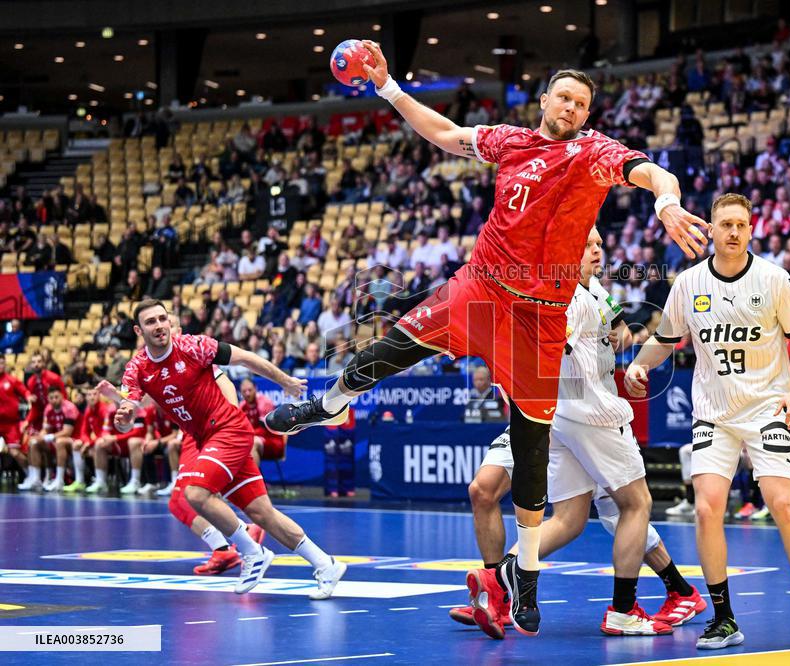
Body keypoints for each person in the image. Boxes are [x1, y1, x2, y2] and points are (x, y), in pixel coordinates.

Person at [265, 49, 708, 637]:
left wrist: (668, 201)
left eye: (582, 104)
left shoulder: (594, 153)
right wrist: (388, 86)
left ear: (587, 114)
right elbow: (444, 133)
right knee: (388, 349)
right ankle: (327, 404)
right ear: (545, 100)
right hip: (480, 287)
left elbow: (653, 172)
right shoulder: (510, 140)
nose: (572, 108)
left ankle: (524, 572)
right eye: (564, 98)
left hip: (540, 315)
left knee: (531, 446)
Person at [451, 228, 704, 637]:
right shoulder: (565, 293)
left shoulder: (596, 294)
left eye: (601, 244)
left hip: (561, 416)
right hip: (583, 410)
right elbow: (540, 345)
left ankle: (497, 584)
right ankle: (623, 609)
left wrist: (634, 345)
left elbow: (615, 334)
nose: (599, 250)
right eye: (589, 244)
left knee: (574, 517)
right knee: (633, 505)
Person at [624, 193, 790, 650]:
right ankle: (723, 617)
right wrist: (640, 363)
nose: (733, 232)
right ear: (711, 230)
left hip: (768, 407)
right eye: (725, 224)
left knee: (781, 502)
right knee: (706, 506)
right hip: (714, 412)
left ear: (751, 230)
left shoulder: (775, 279)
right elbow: (666, 338)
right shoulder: (689, 283)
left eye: (741, 224)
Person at [112, 299, 345, 597]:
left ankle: (251, 551)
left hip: (228, 430)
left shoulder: (194, 346)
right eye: (151, 322)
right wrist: (124, 419)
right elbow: (127, 414)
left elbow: (246, 358)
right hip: (206, 439)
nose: (159, 326)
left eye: (162, 319)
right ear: (138, 330)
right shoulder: (137, 368)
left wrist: (284, 380)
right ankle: (326, 564)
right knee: (263, 513)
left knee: (194, 493)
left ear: (170, 322)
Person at [17, 386, 78, 492]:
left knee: (59, 442)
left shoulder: (69, 408)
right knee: (34, 442)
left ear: (62, 396)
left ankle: (59, 480)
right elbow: (46, 429)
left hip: (74, 438)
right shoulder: (48, 408)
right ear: (48, 398)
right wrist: (40, 437)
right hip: (55, 439)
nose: (54, 400)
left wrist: (49, 437)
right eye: (51, 398)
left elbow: (68, 432)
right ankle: (36, 479)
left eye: (56, 397)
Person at [239, 379, 286, 466]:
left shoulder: (264, 403)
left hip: (273, 441)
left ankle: (254, 478)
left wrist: (247, 436)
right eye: (244, 391)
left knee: (253, 443)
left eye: (250, 390)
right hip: (252, 439)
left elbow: (264, 430)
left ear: (255, 389)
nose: (247, 394)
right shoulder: (241, 406)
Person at [0, 356, 30, 471]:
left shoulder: (11, 380)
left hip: (11, 424)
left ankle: (31, 475)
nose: (0, 366)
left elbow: (24, 391)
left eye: (2, 363)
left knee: (15, 452)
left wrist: (29, 396)